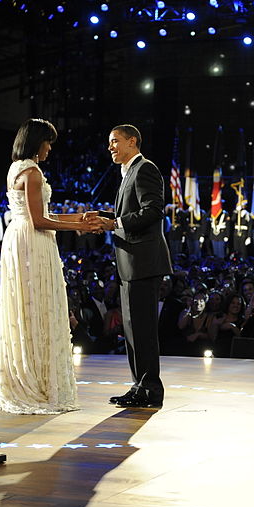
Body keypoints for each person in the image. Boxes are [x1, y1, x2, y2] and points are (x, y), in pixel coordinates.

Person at [0, 118, 102, 415]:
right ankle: (37, 383)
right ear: (36, 142)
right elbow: (39, 220)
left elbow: (40, 213)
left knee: (28, 309)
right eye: (48, 142)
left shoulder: (17, 168)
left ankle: (30, 374)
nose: (50, 148)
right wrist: (76, 226)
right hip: (32, 243)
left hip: (23, 238)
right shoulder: (32, 172)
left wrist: (78, 221)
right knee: (38, 308)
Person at [95, 124, 173, 408]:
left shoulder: (144, 169)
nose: (110, 147)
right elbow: (129, 213)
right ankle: (140, 386)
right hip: (131, 263)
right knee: (132, 330)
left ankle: (151, 389)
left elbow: (153, 211)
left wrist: (114, 223)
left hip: (143, 262)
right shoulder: (128, 172)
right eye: (109, 142)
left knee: (142, 330)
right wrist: (102, 218)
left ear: (132, 141)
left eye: (115, 141)